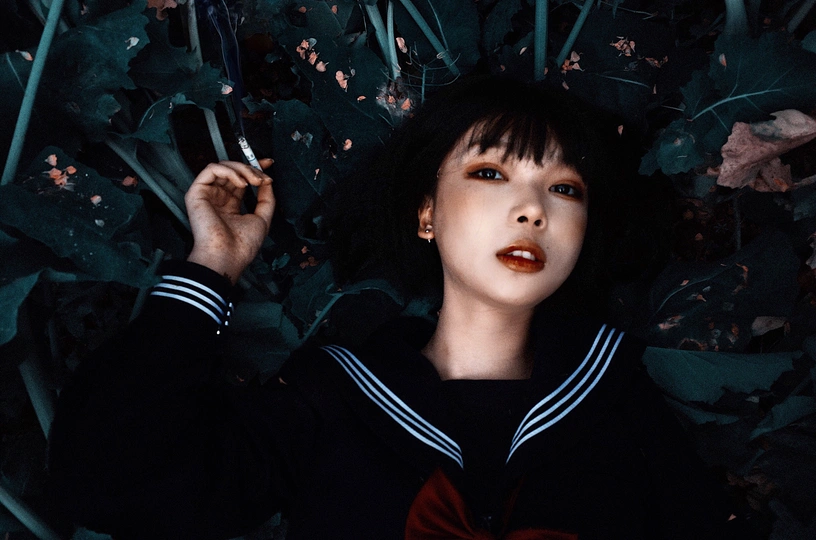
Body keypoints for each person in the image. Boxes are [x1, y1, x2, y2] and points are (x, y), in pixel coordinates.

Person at [47, 76, 746, 539]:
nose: (532, 209)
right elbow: (107, 480)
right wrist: (212, 268)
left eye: (565, 189)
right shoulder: (333, 399)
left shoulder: (618, 400)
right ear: (426, 214)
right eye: (490, 172)